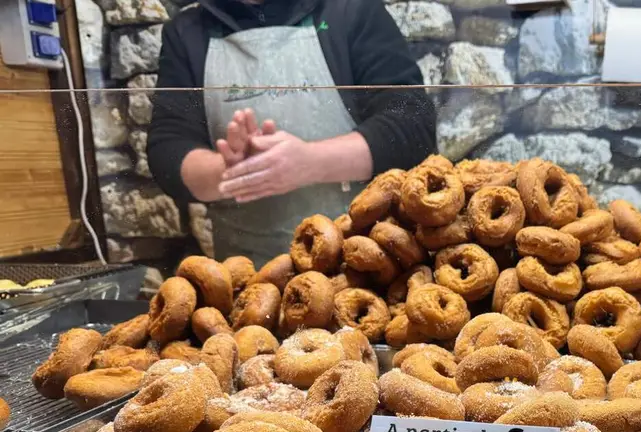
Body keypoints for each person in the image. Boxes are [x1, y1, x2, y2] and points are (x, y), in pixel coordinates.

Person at [147, 0, 436, 263]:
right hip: (248, 281)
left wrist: (311, 163)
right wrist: (229, 172)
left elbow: (413, 125)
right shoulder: (188, 32)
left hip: (366, 266)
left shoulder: (351, 10)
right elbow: (167, 149)